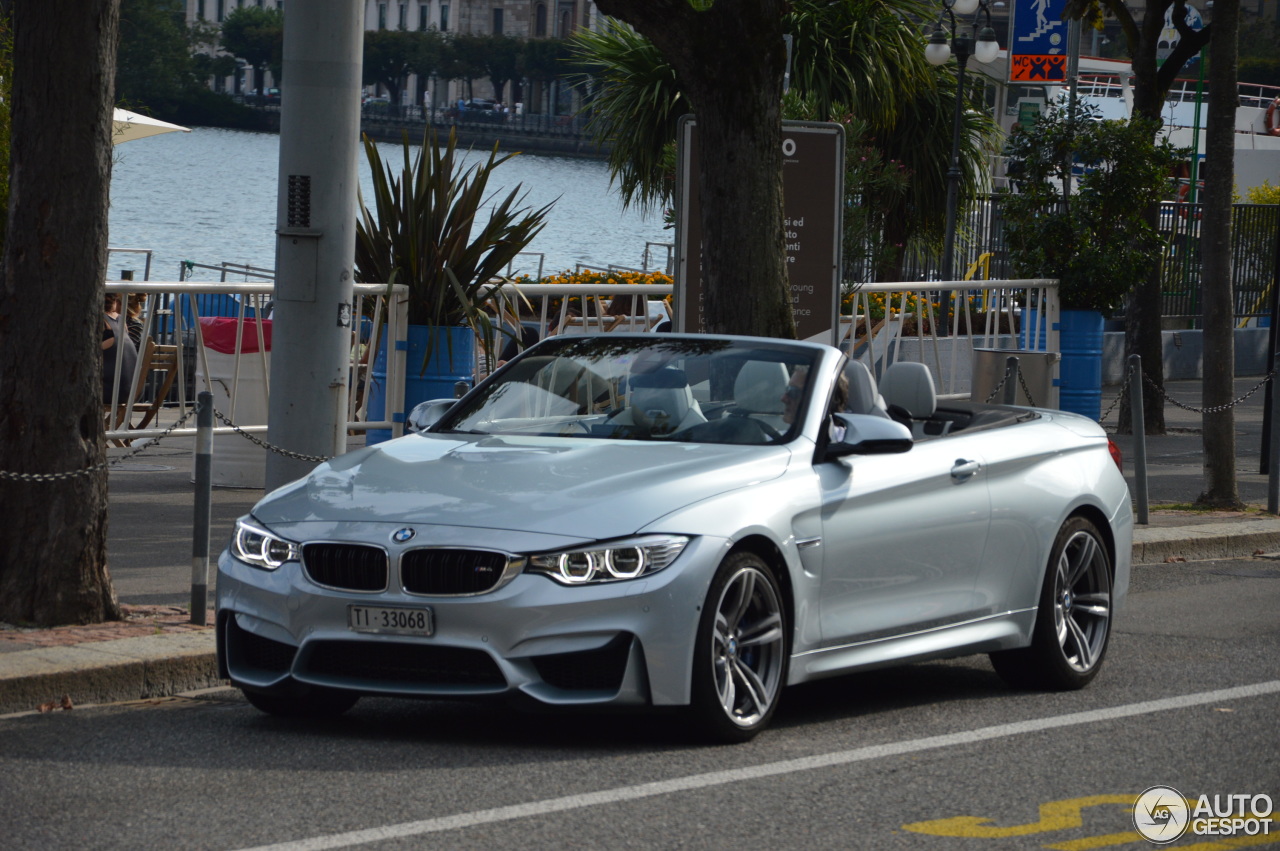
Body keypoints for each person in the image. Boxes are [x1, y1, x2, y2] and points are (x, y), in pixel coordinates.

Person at [102, 293, 138, 404]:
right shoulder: (122, 321)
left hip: (110, 392)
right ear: (115, 302)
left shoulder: (101, 321)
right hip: (134, 392)